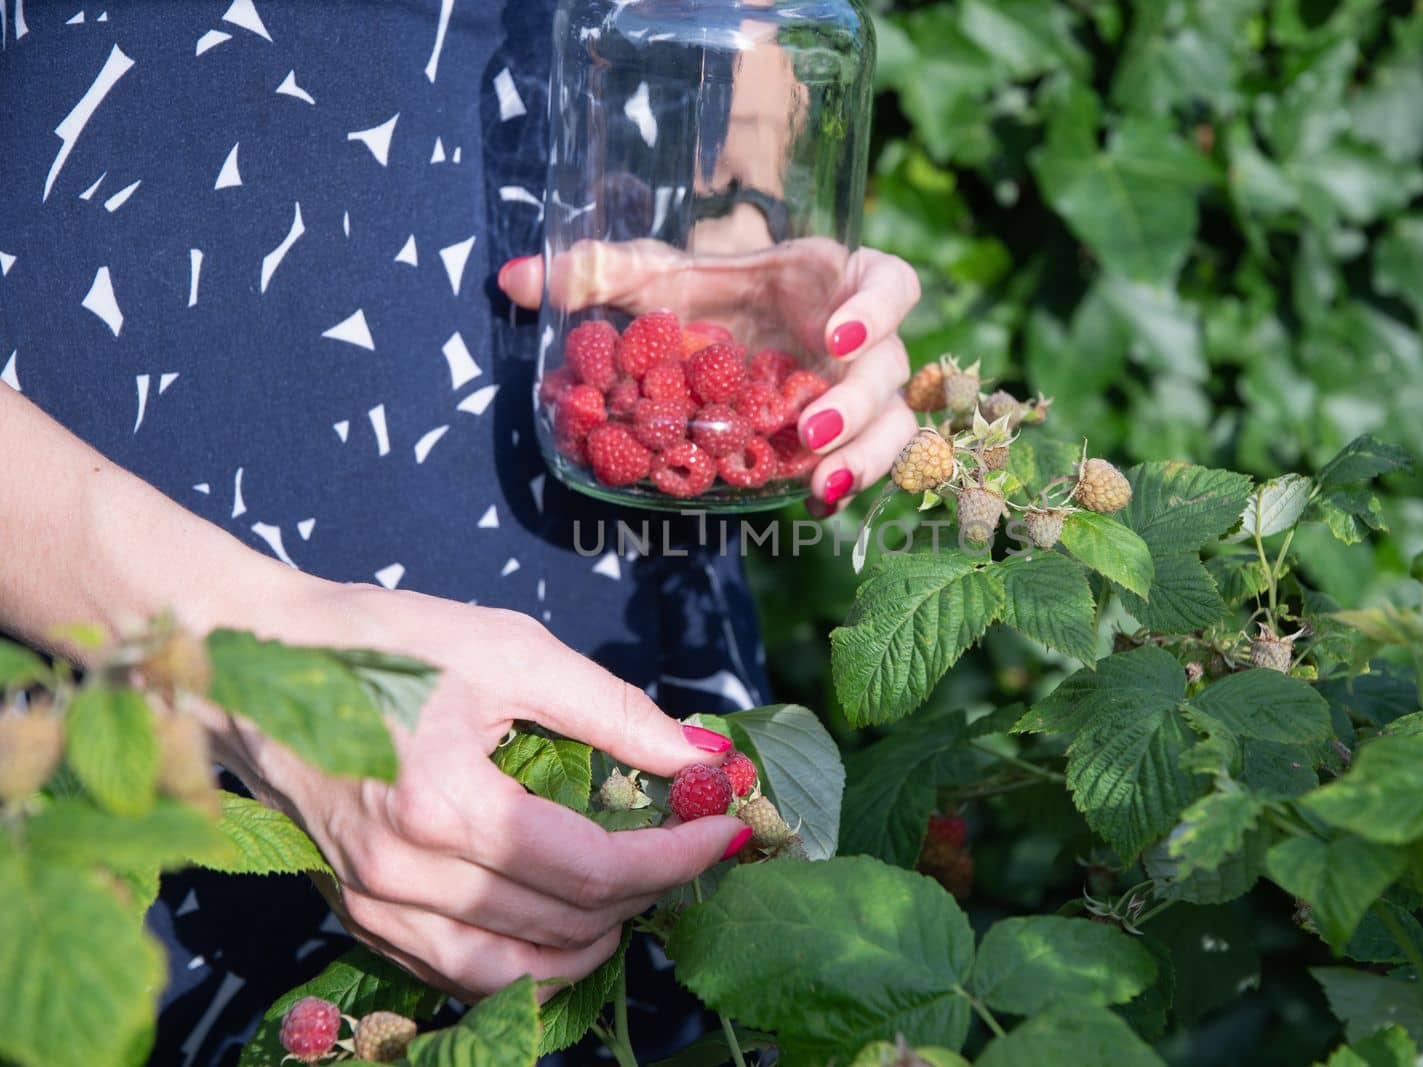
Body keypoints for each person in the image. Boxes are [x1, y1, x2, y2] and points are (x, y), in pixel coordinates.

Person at [0, 3, 918, 1064]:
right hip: (89, 605)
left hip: (605, 564)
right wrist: (247, 651)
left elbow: (751, 29)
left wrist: (738, 224)